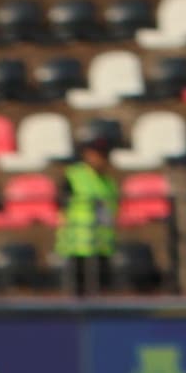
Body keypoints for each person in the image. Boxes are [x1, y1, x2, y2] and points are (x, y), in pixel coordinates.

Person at [58, 126, 118, 300]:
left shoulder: (109, 182)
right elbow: (61, 209)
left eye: (104, 154)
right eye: (96, 153)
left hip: (101, 247)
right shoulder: (73, 176)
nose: (101, 158)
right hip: (78, 249)